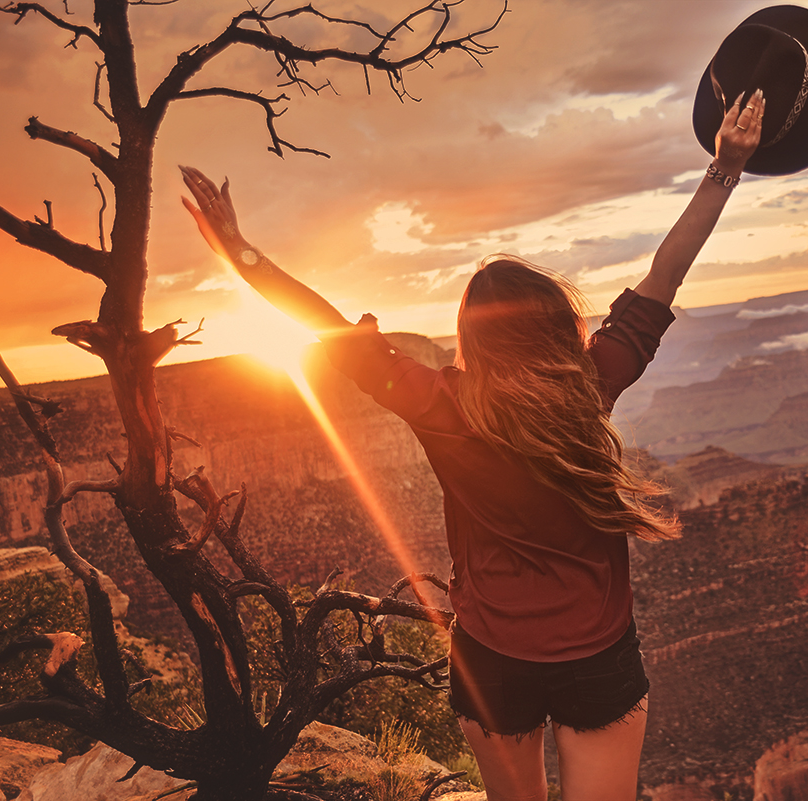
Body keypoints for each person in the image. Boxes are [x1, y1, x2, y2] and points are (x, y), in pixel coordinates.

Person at [180, 88, 763, 801]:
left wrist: (242, 254)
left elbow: (327, 328)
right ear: (553, 324)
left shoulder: (441, 404)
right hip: (599, 654)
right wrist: (724, 167)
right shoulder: (592, 382)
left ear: (471, 336)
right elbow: (665, 274)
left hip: (493, 659)